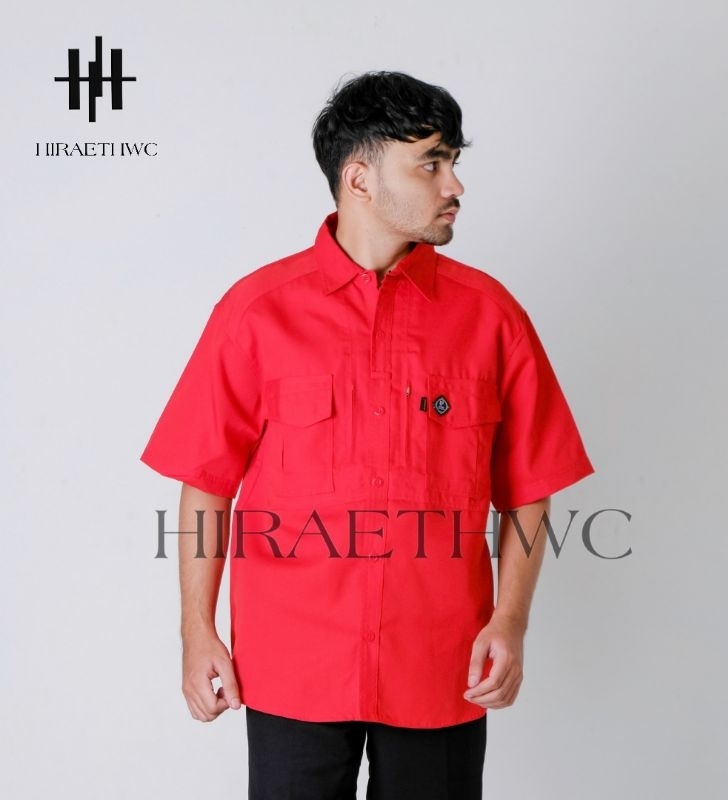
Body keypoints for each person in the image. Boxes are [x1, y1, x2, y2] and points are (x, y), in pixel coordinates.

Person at [141, 71, 594, 799]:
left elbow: (529, 491)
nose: (455, 186)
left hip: (441, 663)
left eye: (453, 162)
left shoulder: (490, 317)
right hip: (292, 664)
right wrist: (198, 631)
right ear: (359, 178)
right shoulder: (256, 313)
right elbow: (206, 483)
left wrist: (510, 622)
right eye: (431, 164)